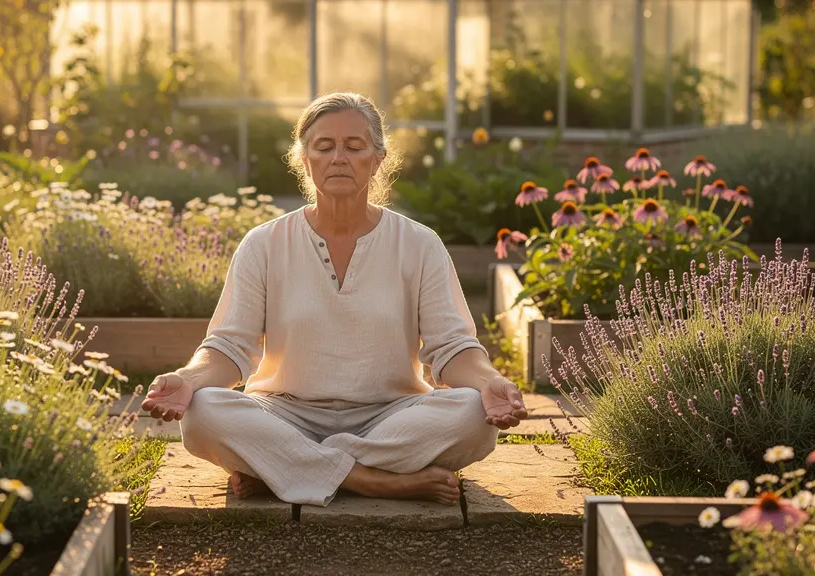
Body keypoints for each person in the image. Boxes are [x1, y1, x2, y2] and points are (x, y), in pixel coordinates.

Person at [140, 92, 529, 507]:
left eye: (354, 146)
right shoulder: (263, 244)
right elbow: (228, 347)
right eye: (324, 147)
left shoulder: (420, 244)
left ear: (377, 159)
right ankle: (375, 480)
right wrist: (189, 379)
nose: (338, 158)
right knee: (202, 412)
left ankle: (283, 468)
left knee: (473, 414)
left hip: (391, 416)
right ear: (304, 160)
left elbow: (452, 347)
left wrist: (489, 382)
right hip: (285, 414)